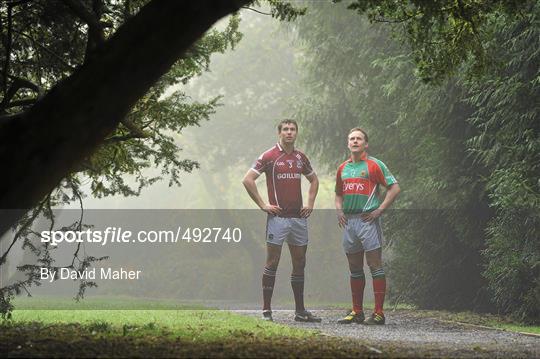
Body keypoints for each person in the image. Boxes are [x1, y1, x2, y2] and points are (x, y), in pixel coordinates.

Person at [242, 119, 321, 322]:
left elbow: (314, 179)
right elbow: (247, 179)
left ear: (296, 133)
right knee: (272, 262)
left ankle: (300, 311)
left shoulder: (300, 157)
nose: (289, 133)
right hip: (277, 218)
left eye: (292, 129)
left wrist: (310, 203)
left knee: (300, 262)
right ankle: (267, 311)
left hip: (298, 218)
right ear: (279, 133)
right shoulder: (269, 156)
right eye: (285, 129)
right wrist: (263, 205)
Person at [335, 127, 400, 325]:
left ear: (366, 143)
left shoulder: (374, 165)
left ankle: (379, 313)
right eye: (351, 138)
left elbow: (395, 187)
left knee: (374, 265)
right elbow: (338, 193)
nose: (355, 141)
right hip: (349, 222)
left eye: (359, 139)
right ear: (348, 143)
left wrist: (380, 210)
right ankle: (357, 311)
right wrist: (338, 210)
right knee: (355, 267)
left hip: (368, 221)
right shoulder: (342, 168)